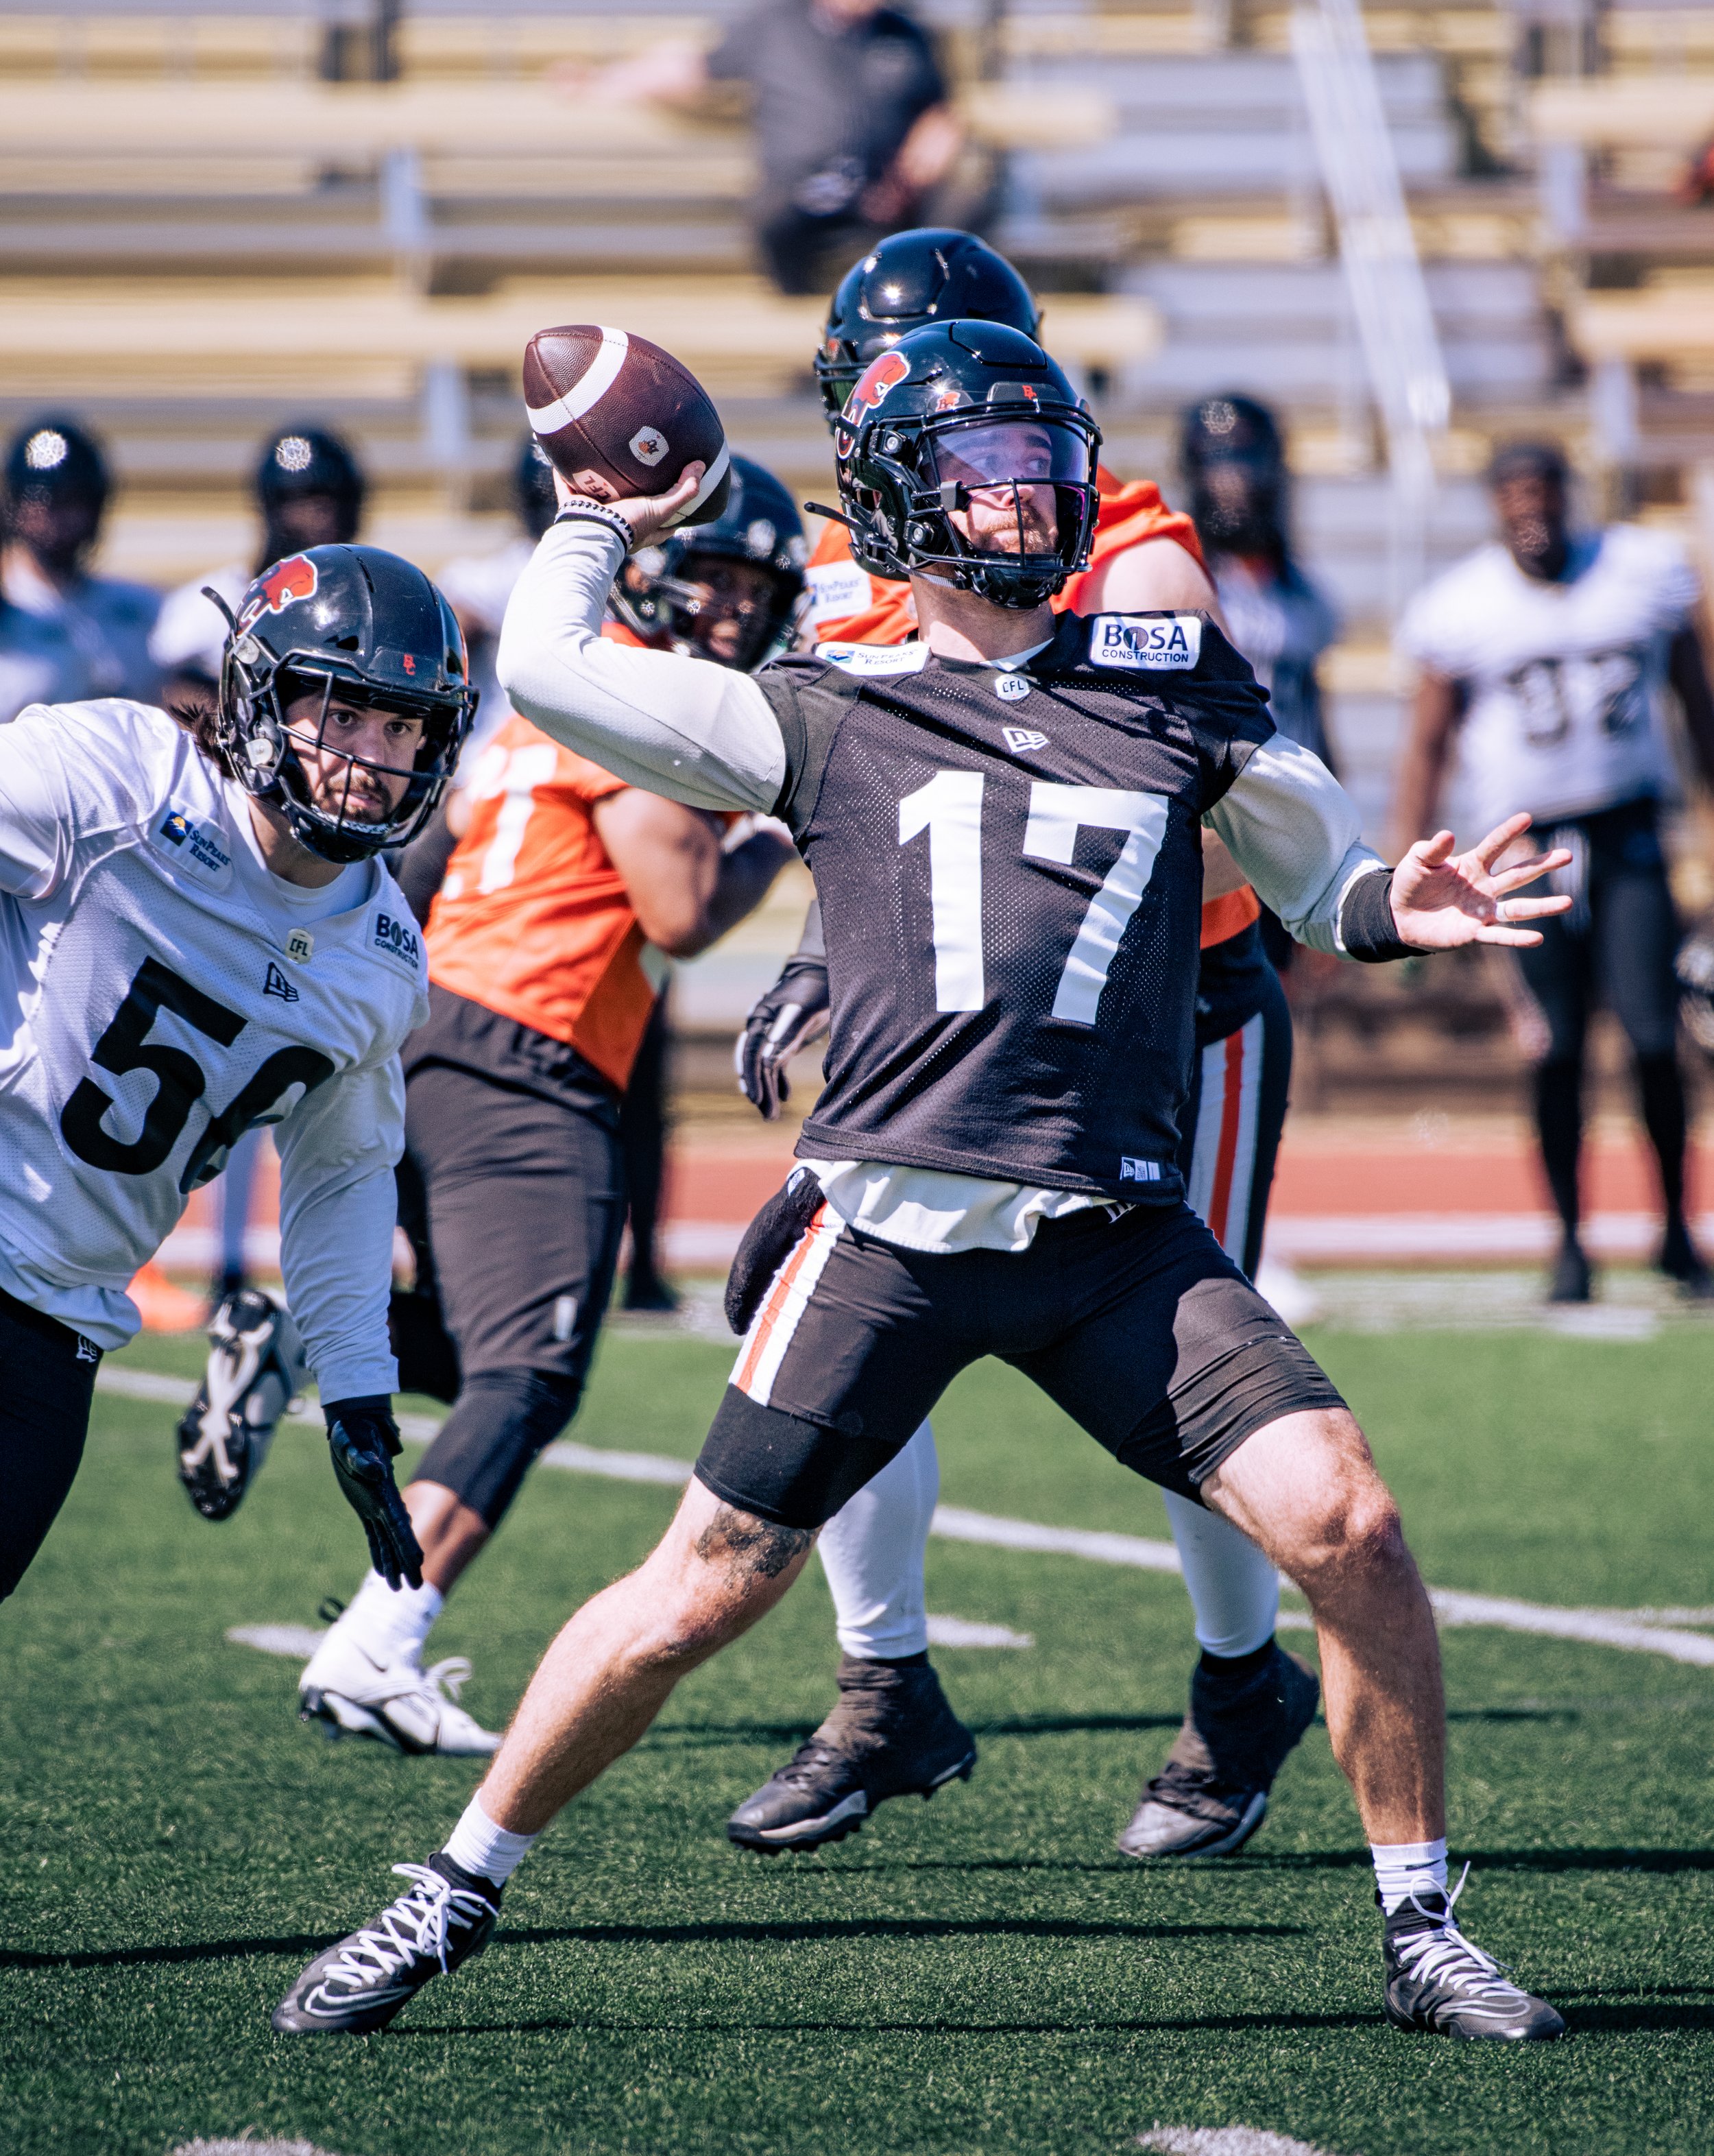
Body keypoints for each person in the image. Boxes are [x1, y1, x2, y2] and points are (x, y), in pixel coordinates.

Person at [274, 323, 1571, 2043]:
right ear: (900, 498)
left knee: (1353, 1521)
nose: (1027, 502)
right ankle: (448, 1892)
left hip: (1112, 1235)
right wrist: (598, 511)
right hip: (888, 1228)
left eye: (1045, 468)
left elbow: (1317, 870)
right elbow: (557, 669)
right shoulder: (825, 706)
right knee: (700, 1586)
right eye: (985, 471)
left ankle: (1423, 1932)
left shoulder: (1169, 682)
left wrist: (1401, 906)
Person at [734, 226, 1309, 1867]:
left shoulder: (1129, 560)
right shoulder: (872, 568)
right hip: (947, 1035)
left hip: (1161, 1019)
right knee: (852, 1347)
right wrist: (832, 950)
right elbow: (880, 808)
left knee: (1206, 1389)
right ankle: (883, 1685)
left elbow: (1196, 829)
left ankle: (1238, 1685)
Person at [291, 461, 803, 1754]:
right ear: (653, 571)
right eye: (717, 577)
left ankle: (279, 1341)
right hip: (529, 1044)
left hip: (439, 1019)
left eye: (757, 586)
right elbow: (679, 911)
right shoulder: (638, 690)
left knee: (478, 1344)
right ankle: (378, 1638)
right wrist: (789, 823)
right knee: (530, 1369)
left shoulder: (568, 680)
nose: (734, 611)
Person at [0, 540, 473, 1608]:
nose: (372, 755)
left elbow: (345, 1174)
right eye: (342, 713)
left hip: (63, 1321)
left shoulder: (381, 955)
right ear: (261, 698)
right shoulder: (119, 778)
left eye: (402, 726)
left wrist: (356, 1390)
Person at [1393, 440, 1714, 1305]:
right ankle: (1569, 1242)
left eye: (1541, 492)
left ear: (1567, 496)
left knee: (1654, 1033)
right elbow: (1427, 744)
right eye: (1512, 495)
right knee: (1556, 1045)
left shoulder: (1644, 572)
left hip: (1630, 829)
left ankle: (1677, 1234)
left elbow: (1697, 702)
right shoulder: (1459, 606)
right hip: (1526, 852)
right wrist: (1405, 862)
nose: (1529, 509)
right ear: (1495, 506)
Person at [150, 426, 370, 1308]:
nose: (310, 517)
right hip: (225, 858)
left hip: (331, 869)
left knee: (332, 1072)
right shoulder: (211, 609)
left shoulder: (368, 601)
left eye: (324, 502)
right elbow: (182, 718)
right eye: (297, 503)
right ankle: (216, 1257)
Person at [599, 0, 961, 296]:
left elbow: (939, 109)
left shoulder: (907, 33)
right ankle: (802, 334)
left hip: (887, 194)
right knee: (774, 218)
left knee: (959, 212)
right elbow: (697, 70)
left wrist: (929, 148)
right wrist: (606, 82)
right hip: (797, 195)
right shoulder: (775, 24)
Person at [1, 416, 160, 706]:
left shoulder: (140, 609)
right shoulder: (8, 610)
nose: (61, 518)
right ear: (15, 505)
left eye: (76, 500)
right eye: (43, 500)